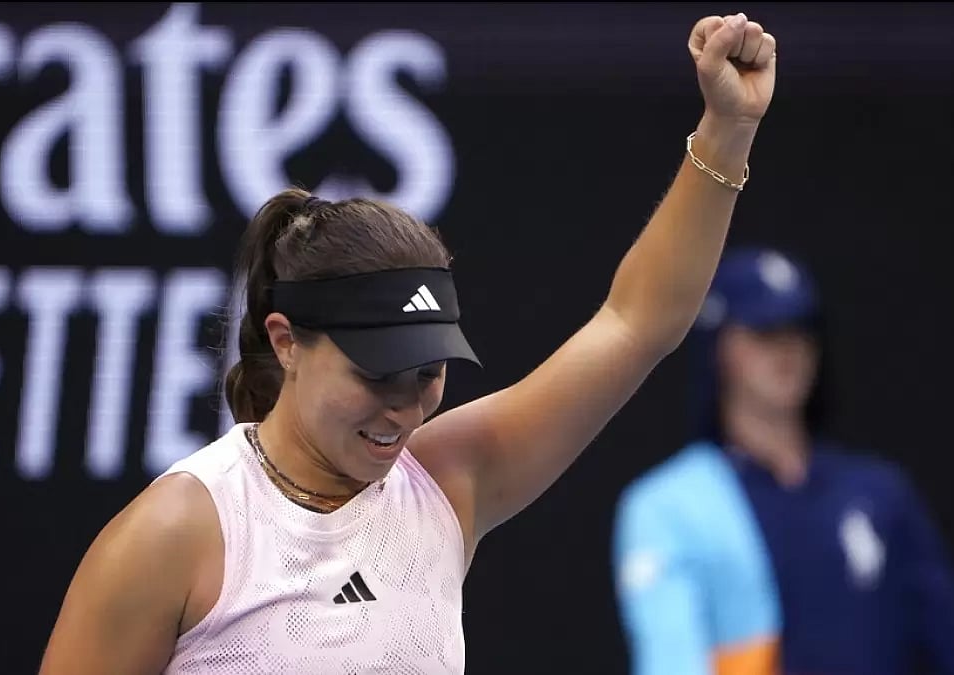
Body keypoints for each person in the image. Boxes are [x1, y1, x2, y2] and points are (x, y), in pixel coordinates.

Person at [38, 12, 779, 674]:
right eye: (376, 373)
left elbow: (636, 322)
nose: (403, 408)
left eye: (427, 372)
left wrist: (726, 131)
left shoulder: (448, 480)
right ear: (285, 340)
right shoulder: (176, 534)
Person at [611, 246, 954, 675]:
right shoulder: (670, 506)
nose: (787, 349)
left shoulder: (881, 494)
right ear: (720, 347)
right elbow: (671, 662)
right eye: (764, 332)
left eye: (799, 329)